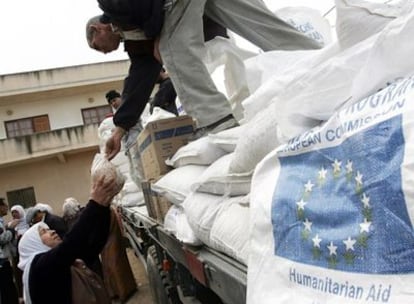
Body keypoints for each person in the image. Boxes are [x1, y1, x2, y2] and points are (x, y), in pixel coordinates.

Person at [86, 3, 320, 160]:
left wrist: (157, 34)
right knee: (257, 21)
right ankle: (320, 59)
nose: (103, 52)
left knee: (173, 50)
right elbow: (139, 79)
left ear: (98, 29)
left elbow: (149, 7)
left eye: (97, 47)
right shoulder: (132, 41)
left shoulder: (113, 5)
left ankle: (218, 124)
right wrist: (119, 130)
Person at [18, 175, 120, 304]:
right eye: (44, 232)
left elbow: (94, 247)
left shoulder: (68, 264)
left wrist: (104, 207)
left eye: (49, 229)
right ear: (34, 244)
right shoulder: (40, 267)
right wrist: (95, 203)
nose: (53, 231)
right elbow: (71, 243)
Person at [8, 205, 30, 301]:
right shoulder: (11, 225)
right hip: (16, 255)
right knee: (18, 276)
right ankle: (21, 296)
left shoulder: (28, 223)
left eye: (16, 212)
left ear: (21, 212)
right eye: (12, 212)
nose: (14, 214)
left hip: (27, 255)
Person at [0, 198, 19, 304]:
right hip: (2, 262)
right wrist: (11, 229)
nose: (6, 207)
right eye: (4, 205)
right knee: (7, 290)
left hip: (5, 259)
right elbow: (2, 239)